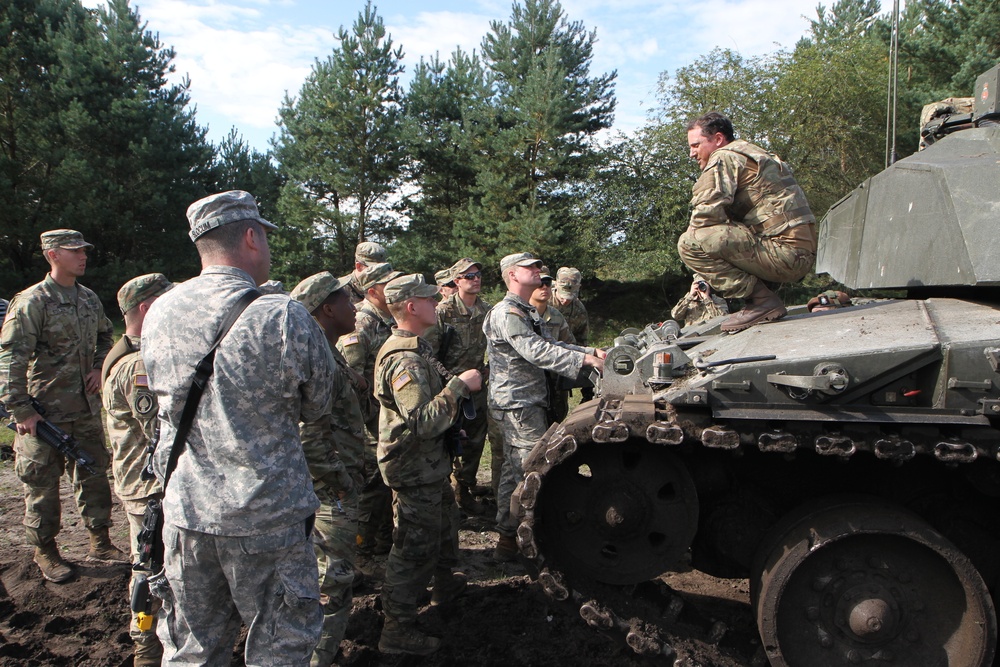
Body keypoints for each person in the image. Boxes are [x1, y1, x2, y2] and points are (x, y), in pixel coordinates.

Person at [141, 190, 335, 664]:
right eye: (265, 236)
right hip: (268, 516)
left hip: (186, 512)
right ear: (250, 236)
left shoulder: (160, 311)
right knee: (279, 649)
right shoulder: (282, 314)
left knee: (191, 650)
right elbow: (320, 403)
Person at [0, 229, 127, 583]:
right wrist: (21, 410)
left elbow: (106, 336)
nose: (83, 256)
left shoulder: (88, 299)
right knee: (41, 485)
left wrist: (100, 366)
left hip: (84, 409)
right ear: (53, 255)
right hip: (44, 414)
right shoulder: (32, 302)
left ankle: (99, 541)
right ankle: (45, 551)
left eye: (84, 250)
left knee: (94, 475)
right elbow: (11, 359)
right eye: (75, 251)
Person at [374, 273, 482, 655]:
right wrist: (459, 387)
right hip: (413, 468)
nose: (436, 304)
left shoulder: (417, 348)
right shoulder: (405, 359)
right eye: (429, 299)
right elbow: (421, 421)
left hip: (428, 466)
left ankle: (444, 587)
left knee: (443, 526)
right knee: (413, 548)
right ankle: (396, 631)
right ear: (411, 306)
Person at [484, 253, 605, 562]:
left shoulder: (527, 312)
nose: (539, 271)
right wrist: (584, 360)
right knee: (532, 471)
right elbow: (536, 351)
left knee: (516, 472)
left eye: (539, 266)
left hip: (529, 401)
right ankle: (531, 542)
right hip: (517, 404)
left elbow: (554, 344)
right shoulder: (508, 312)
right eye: (531, 267)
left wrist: (590, 351)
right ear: (512, 275)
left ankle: (509, 539)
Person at [291, 271, 373, 666]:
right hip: (328, 491)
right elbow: (309, 435)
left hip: (335, 480)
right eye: (346, 300)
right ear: (326, 309)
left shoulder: (329, 349)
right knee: (332, 583)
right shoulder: (319, 354)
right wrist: (340, 484)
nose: (354, 307)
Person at [678, 111, 817, 332]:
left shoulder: (723, 157)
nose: (692, 153)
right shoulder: (754, 154)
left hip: (784, 254)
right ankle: (761, 300)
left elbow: (705, 215)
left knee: (689, 243)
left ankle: (762, 302)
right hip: (796, 253)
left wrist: (700, 270)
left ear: (718, 139)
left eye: (696, 145)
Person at [101, 273, 173, 665]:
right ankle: (146, 651)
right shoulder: (138, 365)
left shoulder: (132, 353)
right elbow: (161, 432)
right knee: (149, 568)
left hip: (148, 481)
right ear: (147, 309)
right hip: (150, 486)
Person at [337, 261, 403, 577]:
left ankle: (382, 543)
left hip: (387, 420)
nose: (394, 289)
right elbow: (350, 379)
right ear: (373, 291)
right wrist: (367, 423)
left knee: (388, 482)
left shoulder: (389, 321)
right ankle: (361, 552)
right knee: (373, 486)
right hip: (368, 423)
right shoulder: (359, 325)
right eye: (388, 285)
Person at [424, 258, 492, 515]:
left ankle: (464, 491)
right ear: (456, 281)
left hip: (477, 389)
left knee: (475, 441)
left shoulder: (487, 310)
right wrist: (451, 379)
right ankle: (445, 495)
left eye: (477, 275)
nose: (475, 279)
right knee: (447, 441)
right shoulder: (442, 311)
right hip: (449, 390)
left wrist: (487, 369)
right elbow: (428, 353)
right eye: (468, 276)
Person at [530, 266, 573, 423]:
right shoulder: (518, 315)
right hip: (528, 387)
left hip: (554, 385)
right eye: (540, 283)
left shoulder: (556, 316)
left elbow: (569, 344)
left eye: (548, 283)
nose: (545, 287)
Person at [553, 266, 593, 402]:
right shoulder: (542, 302)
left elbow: (582, 340)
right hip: (541, 360)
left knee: (559, 407)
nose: (565, 300)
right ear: (556, 284)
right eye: (563, 294)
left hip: (564, 362)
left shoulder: (578, 309)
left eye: (570, 296)